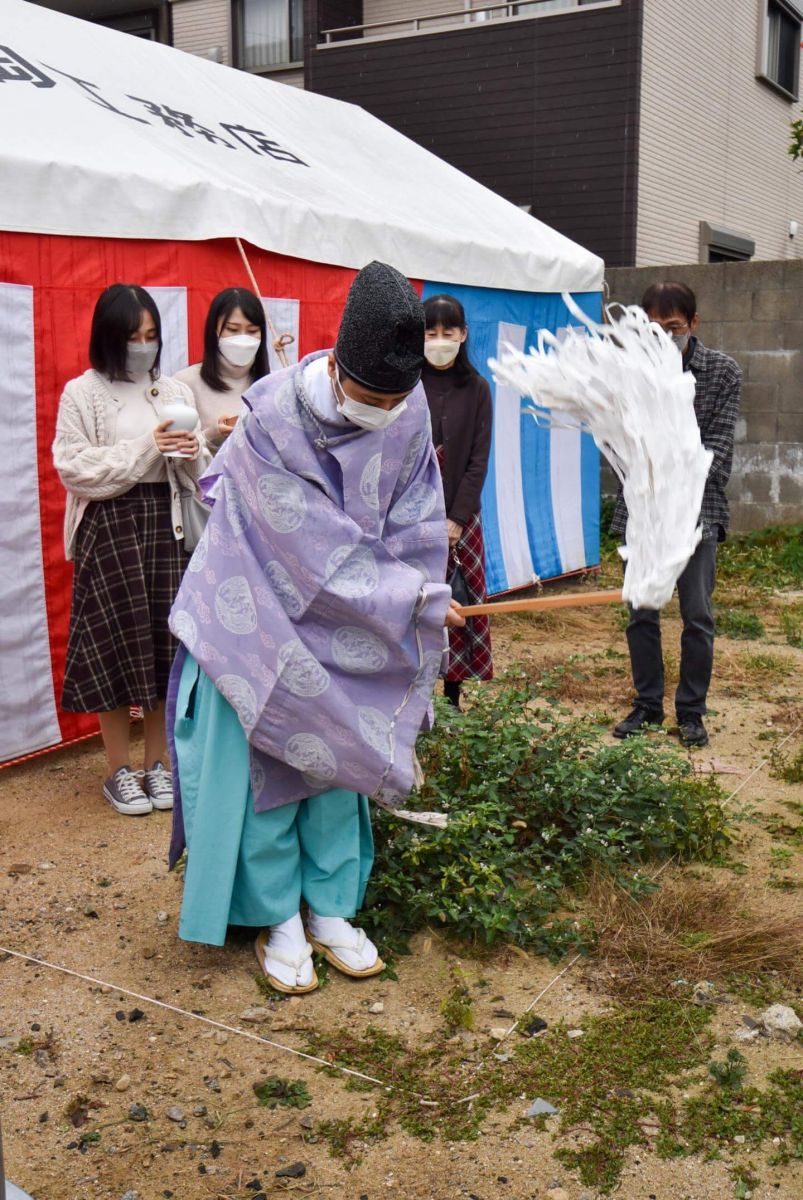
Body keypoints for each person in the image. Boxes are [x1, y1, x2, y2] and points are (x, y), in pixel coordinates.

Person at [166, 262, 465, 994]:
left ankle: (330, 910)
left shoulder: (409, 408)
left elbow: (417, 513)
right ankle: (277, 917)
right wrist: (403, 597)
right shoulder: (272, 417)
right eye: (368, 398)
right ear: (334, 367)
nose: (382, 412)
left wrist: (425, 591)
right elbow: (300, 539)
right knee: (268, 752)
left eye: (393, 401)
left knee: (339, 756)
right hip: (257, 608)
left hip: (356, 615)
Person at [52, 283, 208, 815]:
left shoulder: (175, 393)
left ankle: (158, 765)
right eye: (132, 336)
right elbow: (75, 469)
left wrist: (189, 453)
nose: (143, 346)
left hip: (169, 531)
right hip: (110, 530)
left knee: (167, 649)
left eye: (151, 335)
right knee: (115, 647)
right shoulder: (83, 392)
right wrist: (149, 446)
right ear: (108, 338)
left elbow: (200, 472)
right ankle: (119, 770)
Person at [611, 281, 741, 748]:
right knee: (641, 612)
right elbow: (621, 447)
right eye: (653, 328)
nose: (664, 337)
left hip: (696, 513)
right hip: (642, 514)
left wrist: (668, 475)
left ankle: (691, 712)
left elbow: (718, 455)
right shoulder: (627, 375)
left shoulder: (722, 373)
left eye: (674, 328)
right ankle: (647, 705)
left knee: (697, 615)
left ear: (693, 325)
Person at [421, 294, 493, 709]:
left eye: (448, 332)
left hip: (461, 519)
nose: (440, 339)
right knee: (419, 598)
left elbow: (478, 460)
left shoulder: (478, 388)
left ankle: (453, 693)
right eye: (431, 332)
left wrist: (457, 518)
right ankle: (417, 691)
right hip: (413, 517)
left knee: (460, 599)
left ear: (463, 335)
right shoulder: (407, 385)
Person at [175, 287, 269, 452]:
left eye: (252, 331)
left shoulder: (272, 385)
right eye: (232, 329)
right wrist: (212, 436)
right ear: (214, 330)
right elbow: (174, 456)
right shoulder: (184, 383)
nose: (243, 338)